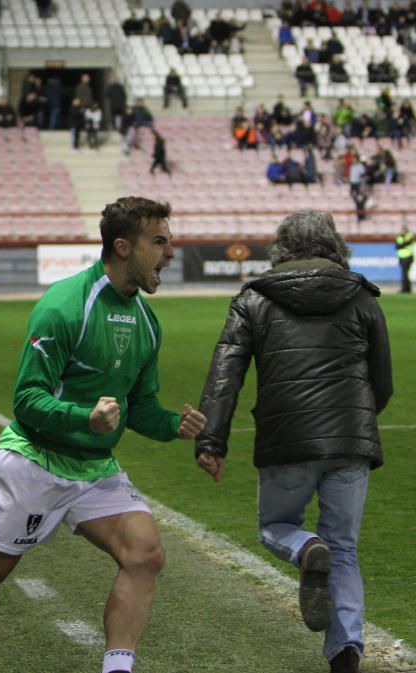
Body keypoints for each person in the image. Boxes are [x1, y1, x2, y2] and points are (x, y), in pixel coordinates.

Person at [0, 196, 206, 673]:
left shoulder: (147, 322)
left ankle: (117, 668)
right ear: (123, 247)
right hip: (35, 461)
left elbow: (143, 407)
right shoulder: (66, 306)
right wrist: (85, 418)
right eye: (159, 241)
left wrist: (176, 426)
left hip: (93, 470)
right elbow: (27, 400)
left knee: (144, 553)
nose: (171, 252)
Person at [196, 210, 392, 673]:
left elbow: (226, 375)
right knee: (342, 547)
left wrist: (212, 439)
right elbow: (382, 381)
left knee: (276, 528)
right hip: (352, 441)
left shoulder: (254, 298)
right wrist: (358, 423)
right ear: (335, 244)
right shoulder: (363, 295)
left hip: (287, 439)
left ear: (280, 246)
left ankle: (305, 550)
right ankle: (346, 653)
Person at [397, 225, 414, 293]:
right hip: (402, 257)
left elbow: (405, 243)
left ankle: (405, 289)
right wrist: (402, 245)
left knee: (405, 273)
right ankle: (407, 288)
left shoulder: (409, 235)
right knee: (405, 273)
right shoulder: (400, 237)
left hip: (408, 257)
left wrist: (401, 245)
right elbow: (397, 246)